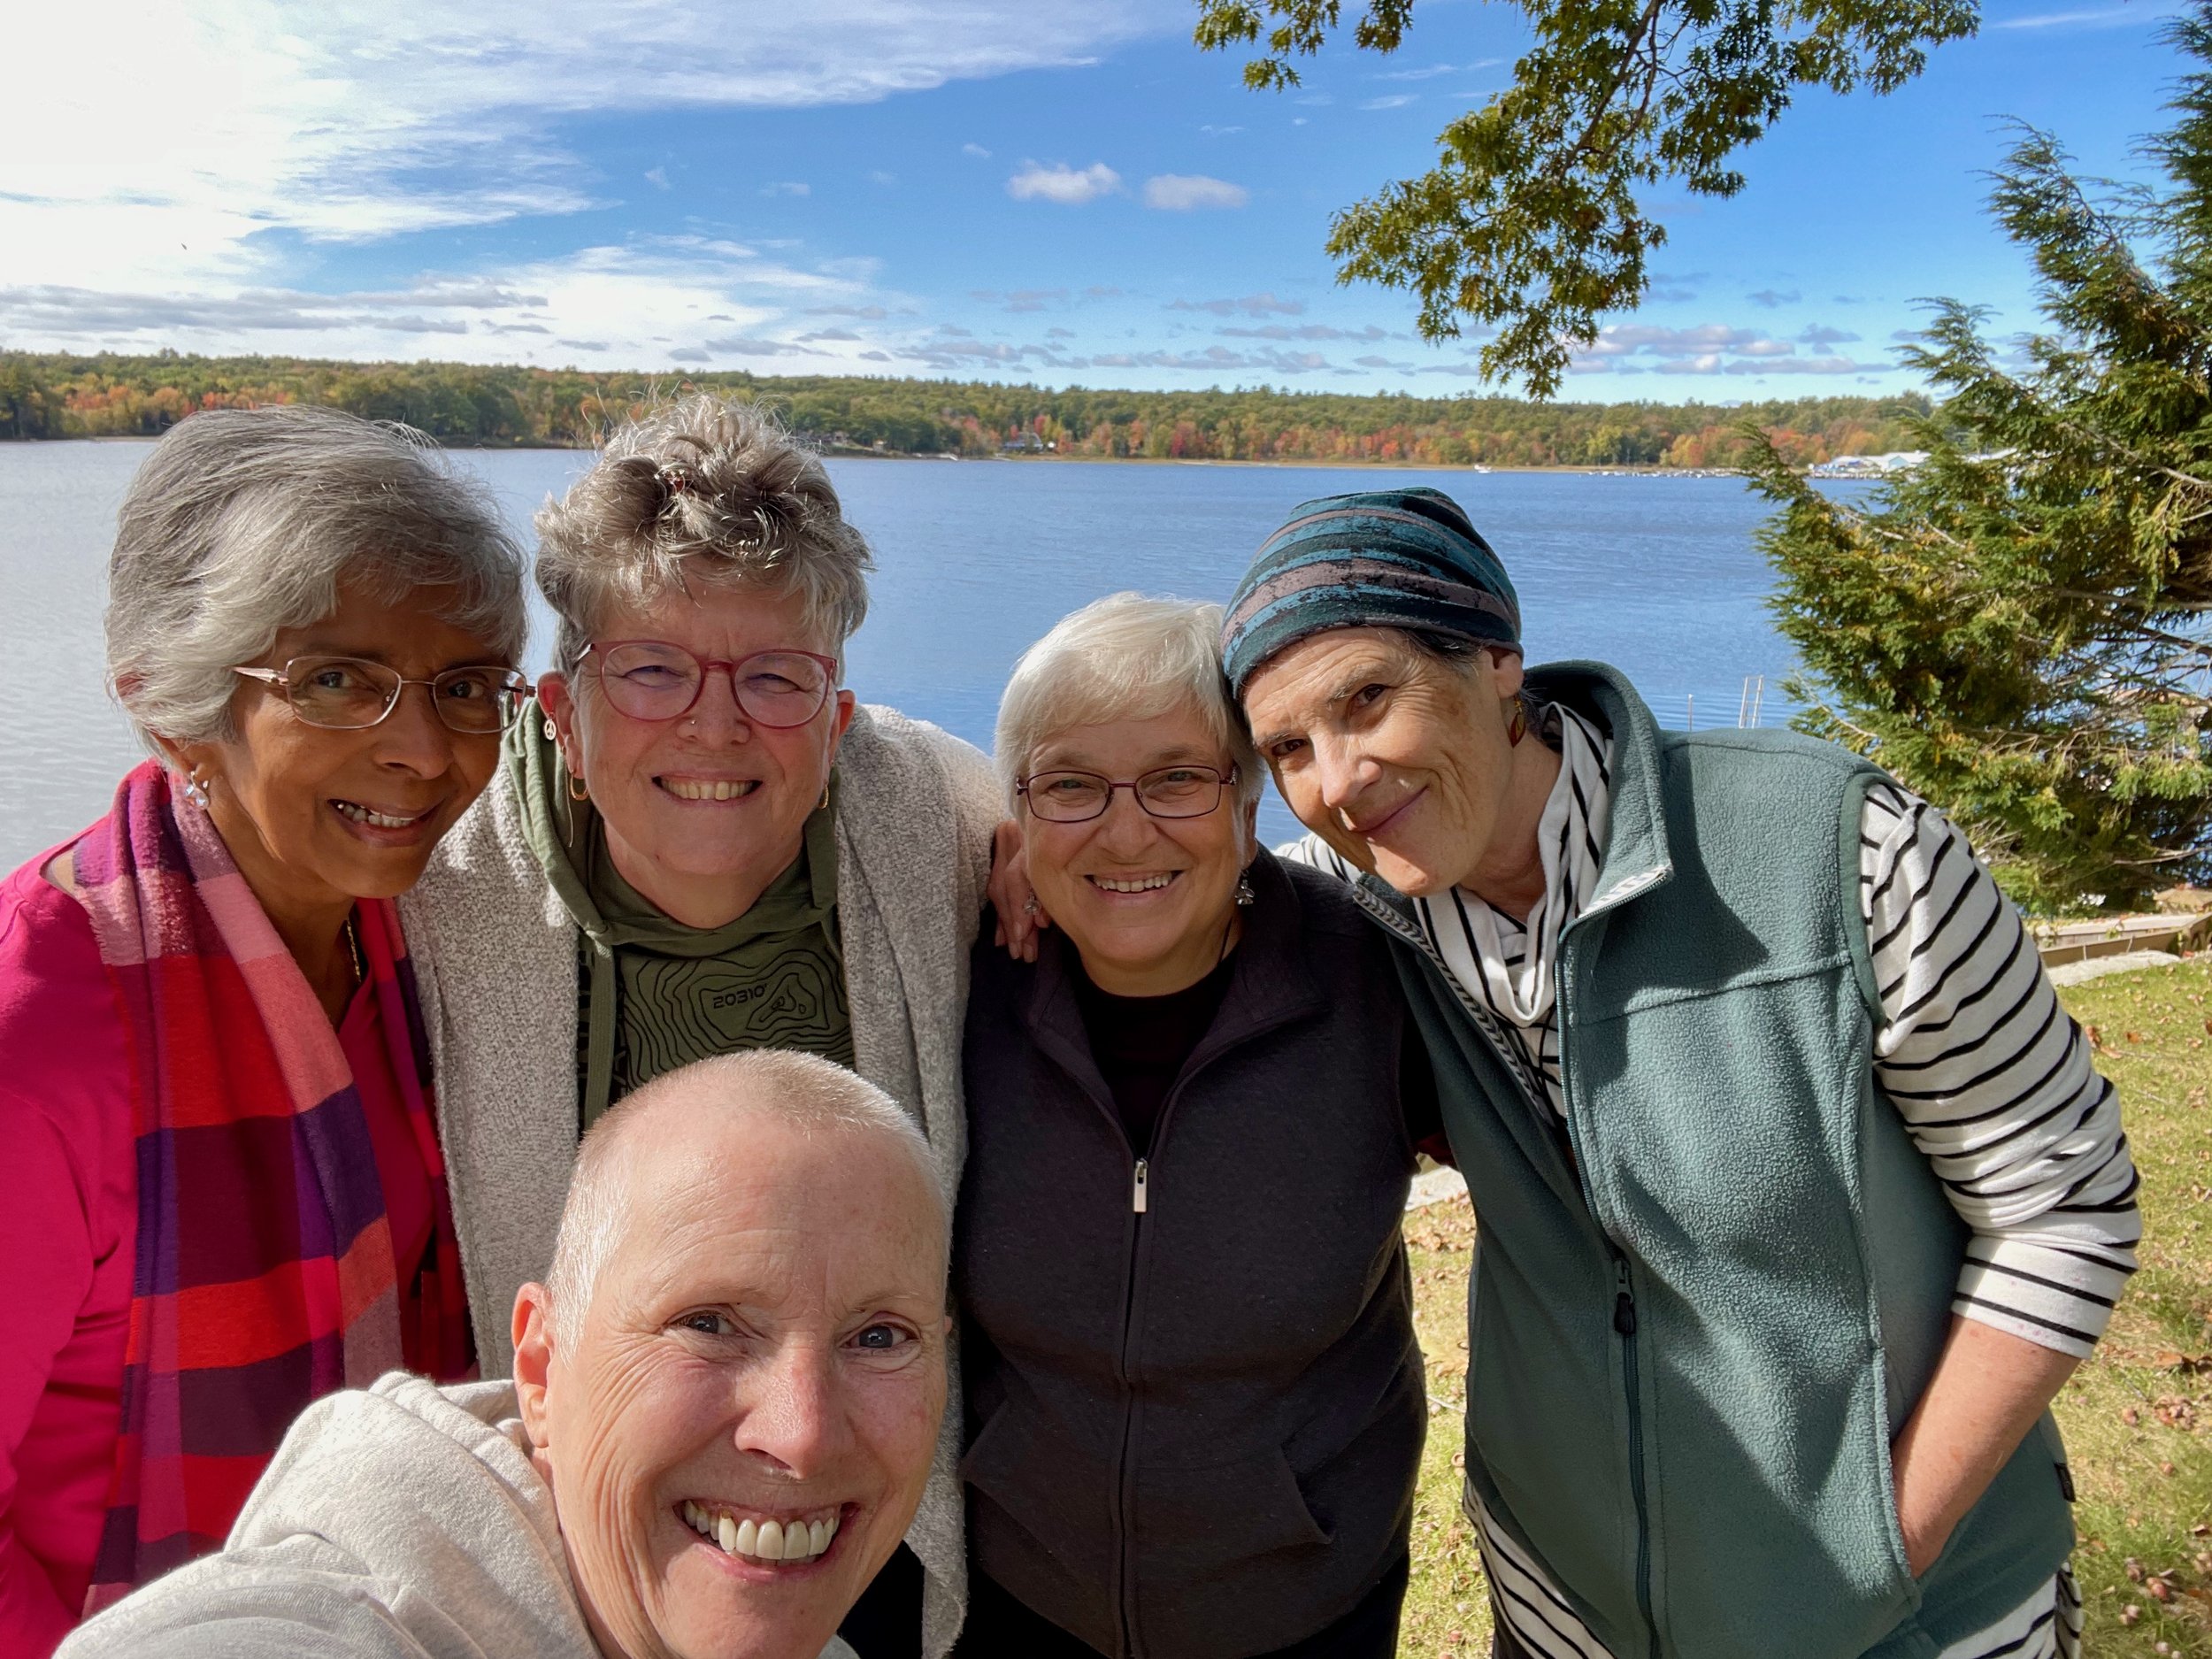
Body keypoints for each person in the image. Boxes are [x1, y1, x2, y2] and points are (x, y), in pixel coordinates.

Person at [1217, 487, 2140, 1659]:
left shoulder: (1841, 849)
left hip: (1912, 1617)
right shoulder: (1359, 910)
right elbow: (1156, 857)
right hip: (1566, 1610)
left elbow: (2064, 1205)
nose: (1337, 777)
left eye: (1369, 697)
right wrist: (1013, 848)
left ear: (1500, 660)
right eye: (1287, 747)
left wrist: (1885, 1545)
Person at [398, 395, 999, 1657]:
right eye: (654, 666)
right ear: (562, 710)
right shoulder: (437, 884)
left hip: (850, 1504)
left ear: (835, 721)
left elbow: (1112, 830)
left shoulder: (934, 827)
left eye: (775, 675)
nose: (716, 722)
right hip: (580, 1525)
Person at [0, 405, 531, 1657]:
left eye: (462, 686)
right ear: (179, 704)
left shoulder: (409, 935)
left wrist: (1005, 841)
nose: (421, 747)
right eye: (338, 679)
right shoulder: (43, 1027)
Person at [52, 1048, 952, 1659]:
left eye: (879, 1338)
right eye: (709, 1324)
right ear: (541, 1371)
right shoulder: (317, 1624)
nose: (802, 1434)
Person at [956, 594, 1438, 1659]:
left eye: (1178, 776)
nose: (1126, 832)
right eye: (1071, 785)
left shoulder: (1378, 984)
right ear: (1019, 810)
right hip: (1019, 1599)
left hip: (1304, 1608)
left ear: (1248, 799)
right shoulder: (955, 981)